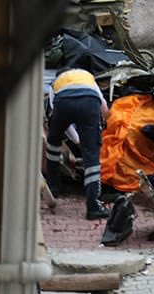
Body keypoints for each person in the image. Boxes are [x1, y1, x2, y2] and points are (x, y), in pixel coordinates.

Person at [45, 68, 111, 220]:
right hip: (89, 101)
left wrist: (76, 140)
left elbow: (59, 117)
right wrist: (98, 131)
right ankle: (93, 206)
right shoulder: (88, 77)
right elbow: (103, 106)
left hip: (63, 102)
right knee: (92, 156)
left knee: (53, 144)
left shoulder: (56, 82)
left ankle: (53, 187)